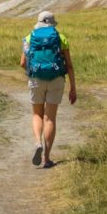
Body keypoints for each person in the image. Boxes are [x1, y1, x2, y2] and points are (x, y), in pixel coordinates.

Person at [20, 10, 76, 168]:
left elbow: (23, 63)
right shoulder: (61, 38)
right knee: (50, 118)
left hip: (36, 79)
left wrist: (31, 74)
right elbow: (69, 66)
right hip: (56, 79)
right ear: (52, 23)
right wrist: (73, 88)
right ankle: (47, 158)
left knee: (37, 114)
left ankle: (38, 142)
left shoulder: (29, 38)